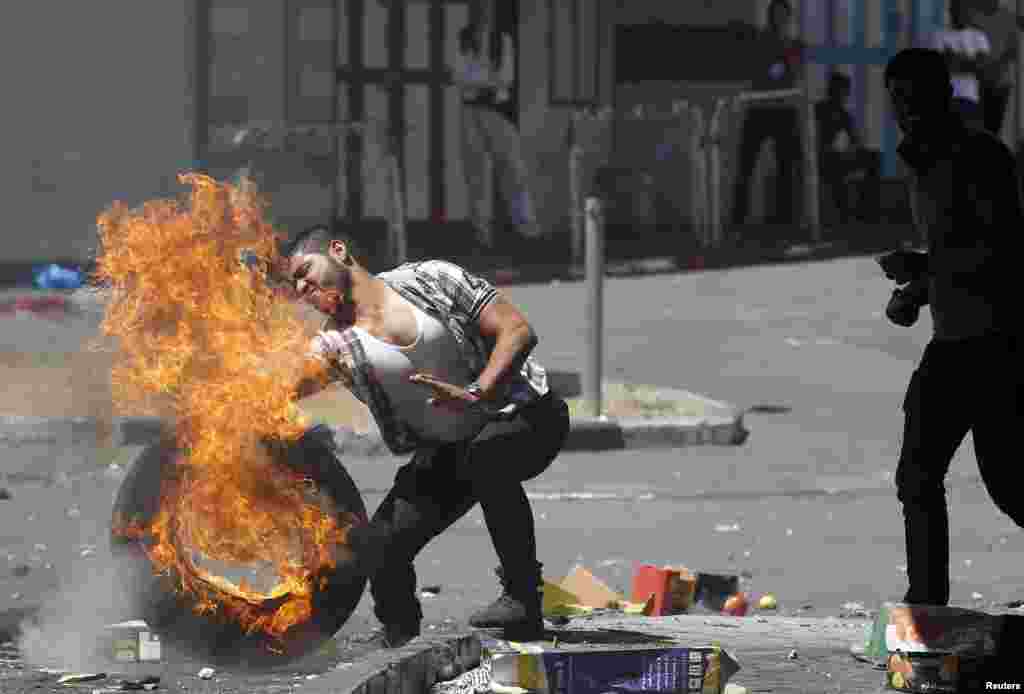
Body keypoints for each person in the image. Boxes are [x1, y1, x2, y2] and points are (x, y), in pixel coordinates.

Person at [285, 226, 569, 646]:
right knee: (380, 544)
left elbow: (517, 330)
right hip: (451, 453)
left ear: (338, 251)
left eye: (305, 270)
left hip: (524, 415)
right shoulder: (334, 344)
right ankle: (400, 641)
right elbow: (283, 384)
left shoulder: (431, 279)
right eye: (294, 284)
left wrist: (477, 394)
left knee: (486, 455)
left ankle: (523, 600)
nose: (301, 286)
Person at [880, 47, 1023, 607]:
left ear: (943, 94)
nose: (906, 112)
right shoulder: (920, 159)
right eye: (897, 102)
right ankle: (927, 606)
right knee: (916, 478)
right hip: (952, 342)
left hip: (997, 343)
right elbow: (949, 250)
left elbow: (1002, 250)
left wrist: (922, 269)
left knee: (1010, 484)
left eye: (915, 99)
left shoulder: (981, 156)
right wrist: (915, 293)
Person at [452, 0, 542, 247]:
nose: (484, 14)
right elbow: (459, 76)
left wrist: (480, 79)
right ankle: (481, 234)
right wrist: (487, 80)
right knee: (476, 172)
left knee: (513, 168)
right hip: (471, 110)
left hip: (497, 110)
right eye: (480, 9)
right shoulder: (463, 38)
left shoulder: (502, 41)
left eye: (488, 10)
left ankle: (526, 229)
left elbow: (506, 79)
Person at [729, 0, 805, 234]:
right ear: (770, 16)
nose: (781, 19)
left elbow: (794, 74)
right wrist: (774, 67)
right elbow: (759, 71)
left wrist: (785, 60)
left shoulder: (794, 44)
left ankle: (786, 220)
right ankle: (737, 222)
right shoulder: (760, 40)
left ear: (789, 18)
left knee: (788, 166)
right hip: (760, 108)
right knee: (746, 166)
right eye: (777, 14)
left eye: (785, 15)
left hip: (784, 110)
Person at [814, 71, 882, 224]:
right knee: (834, 166)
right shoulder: (819, 110)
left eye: (845, 91)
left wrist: (853, 151)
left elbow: (855, 141)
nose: (844, 95)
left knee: (873, 157)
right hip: (820, 159)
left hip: (836, 156)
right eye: (841, 90)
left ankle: (865, 210)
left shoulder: (844, 114)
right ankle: (844, 214)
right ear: (832, 90)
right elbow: (814, 141)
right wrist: (834, 151)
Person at [927, 0, 991, 131]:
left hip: (969, 97)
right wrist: (969, 61)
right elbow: (939, 68)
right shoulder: (938, 36)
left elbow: (981, 69)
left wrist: (954, 59)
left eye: (964, 10)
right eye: (957, 10)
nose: (961, 14)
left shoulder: (978, 37)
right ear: (951, 11)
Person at [965, 0, 1024, 136]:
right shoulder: (973, 16)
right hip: (977, 82)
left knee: (994, 128)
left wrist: (996, 67)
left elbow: (1012, 51)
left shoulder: (1007, 17)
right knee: (977, 128)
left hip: (1001, 82)